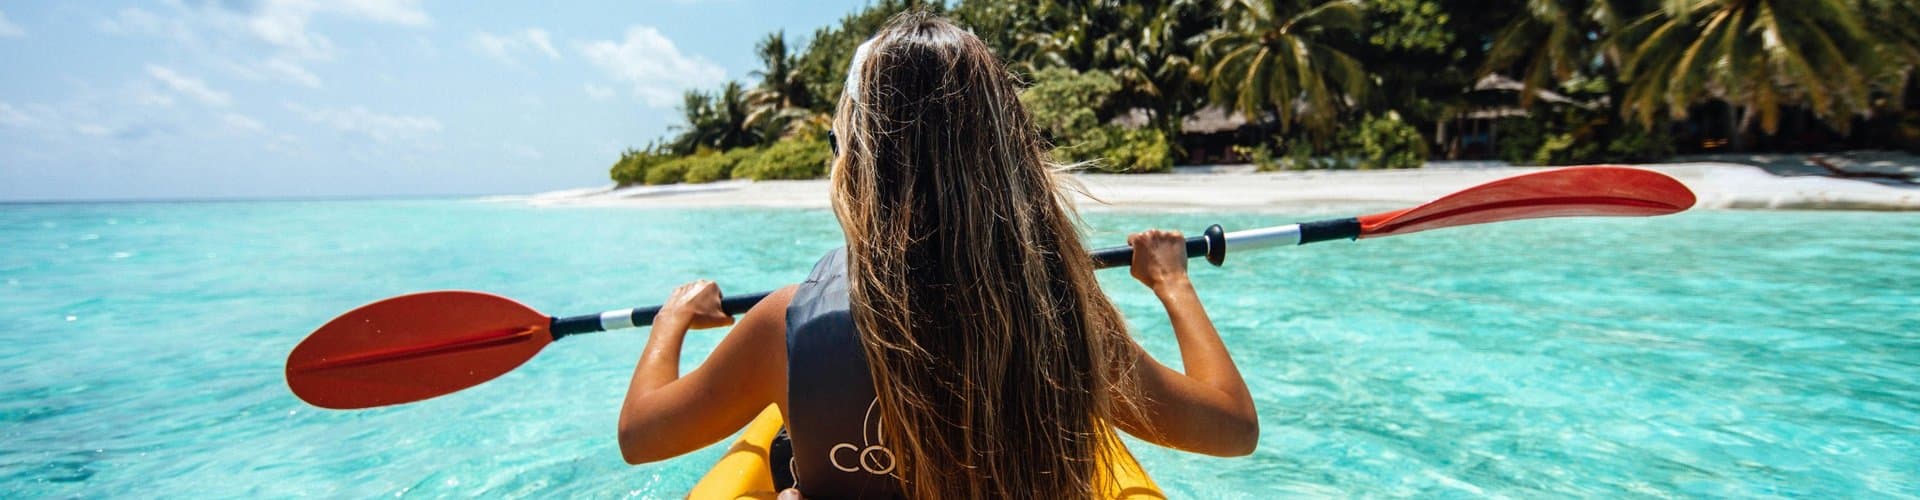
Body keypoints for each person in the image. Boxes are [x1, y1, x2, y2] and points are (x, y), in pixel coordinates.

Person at [616, 12, 1256, 499]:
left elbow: (641, 437)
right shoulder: (1063, 314)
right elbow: (1230, 430)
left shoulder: (785, 328)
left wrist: (673, 319)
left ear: (856, 161)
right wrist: (1173, 285)